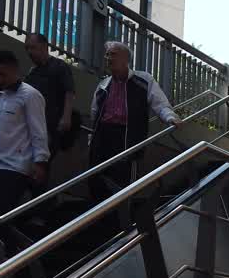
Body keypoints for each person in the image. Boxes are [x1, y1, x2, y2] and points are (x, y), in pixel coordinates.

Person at [89, 41, 181, 201]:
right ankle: (99, 213)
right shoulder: (103, 85)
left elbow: (159, 103)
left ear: (126, 59)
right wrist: (92, 139)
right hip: (102, 137)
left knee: (122, 183)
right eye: (107, 55)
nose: (108, 58)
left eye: (113, 54)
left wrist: (170, 117)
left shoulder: (143, 80)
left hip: (127, 139)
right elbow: (94, 113)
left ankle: (120, 214)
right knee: (97, 180)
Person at [0, 51, 50, 220]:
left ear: (15, 70)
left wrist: (40, 162)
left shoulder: (30, 95)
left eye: (3, 74)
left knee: (2, 214)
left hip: (15, 167)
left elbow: (38, 130)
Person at [24, 33, 76, 158]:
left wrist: (66, 117)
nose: (29, 52)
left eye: (33, 47)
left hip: (53, 122)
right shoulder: (32, 72)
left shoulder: (59, 66)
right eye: (27, 48)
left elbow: (69, 91)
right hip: (35, 122)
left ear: (44, 47)